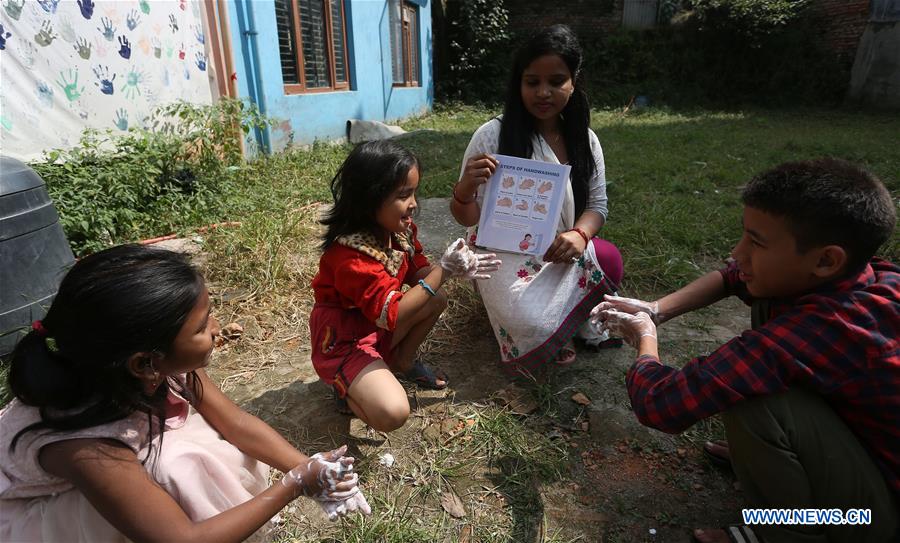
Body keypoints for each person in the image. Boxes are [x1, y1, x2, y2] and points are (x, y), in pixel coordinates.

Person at [592, 159, 899, 543]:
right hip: (870, 452)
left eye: (756, 242)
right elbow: (734, 278)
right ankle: (788, 460)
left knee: (756, 406)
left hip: (873, 517)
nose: (737, 253)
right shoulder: (871, 277)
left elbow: (660, 403)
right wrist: (657, 309)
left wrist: (645, 336)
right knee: (765, 299)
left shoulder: (817, 330)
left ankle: (784, 535)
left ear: (825, 259)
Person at [0, 244, 371, 543]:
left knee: (192, 455)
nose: (217, 327)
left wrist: (306, 464)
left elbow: (237, 423)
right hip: (32, 518)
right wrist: (295, 485)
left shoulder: (154, 367)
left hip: (116, 459)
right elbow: (181, 539)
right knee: (180, 466)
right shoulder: (83, 447)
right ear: (144, 363)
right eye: (201, 325)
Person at [450, 24, 624, 373]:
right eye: (532, 82)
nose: (543, 92)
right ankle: (551, 325)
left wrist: (580, 234)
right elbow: (466, 217)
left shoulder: (585, 140)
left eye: (556, 81)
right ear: (519, 84)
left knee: (609, 258)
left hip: (561, 246)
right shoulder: (492, 136)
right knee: (533, 324)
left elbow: (597, 207)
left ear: (574, 81)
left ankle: (564, 321)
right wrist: (466, 187)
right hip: (502, 252)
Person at [311, 140, 500, 432]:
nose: (413, 203)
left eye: (414, 192)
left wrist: (455, 269)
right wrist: (443, 270)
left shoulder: (398, 231)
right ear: (369, 199)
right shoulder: (350, 257)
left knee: (436, 297)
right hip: (345, 341)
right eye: (404, 195)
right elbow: (392, 314)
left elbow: (417, 268)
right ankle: (344, 389)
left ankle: (401, 360)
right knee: (394, 413)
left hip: (372, 326)